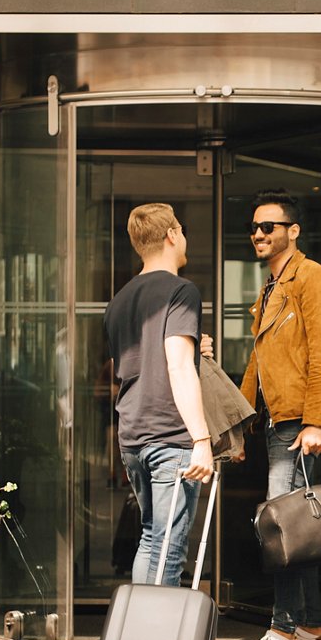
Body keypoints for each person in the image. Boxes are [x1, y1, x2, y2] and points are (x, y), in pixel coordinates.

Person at [228, 189, 321, 640]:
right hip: (282, 421)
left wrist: (318, 421)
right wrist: (238, 425)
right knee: (298, 527)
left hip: (303, 422)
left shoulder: (313, 279)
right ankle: (311, 627)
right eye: (254, 227)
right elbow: (260, 361)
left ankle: (281, 633)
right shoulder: (272, 286)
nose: (258, 234)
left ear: (292, 231)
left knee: (281, 526)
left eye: (269, 227)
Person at [104, 203, 214, 587]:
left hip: (133, 434)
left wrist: (195, 348)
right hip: (171, 435)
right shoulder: (181, 291)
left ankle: (139, 633)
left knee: (152, 538)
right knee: (169, 547)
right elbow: (177, 367)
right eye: (181, 230)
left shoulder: (120, 300)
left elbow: (141, 361)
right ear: (171, 235)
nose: (184, 238)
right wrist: (202, 439)